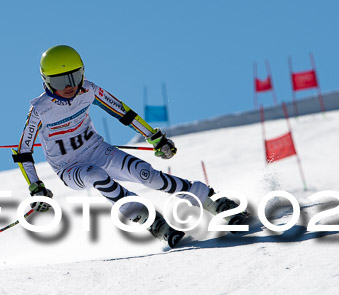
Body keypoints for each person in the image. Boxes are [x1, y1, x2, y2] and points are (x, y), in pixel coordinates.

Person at [13, 45, 246, 247]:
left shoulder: (89, 90)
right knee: (95, 176)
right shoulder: (40, 110)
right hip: (70, 169)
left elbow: (123, 112)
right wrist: (36, 188)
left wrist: (154, 137)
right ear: (46, 81)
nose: (69, 86)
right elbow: (23, 152)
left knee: (148, 176)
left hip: (98, 151)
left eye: (74, 76)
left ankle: (214, 202)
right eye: (60, 81)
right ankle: (152, 221)